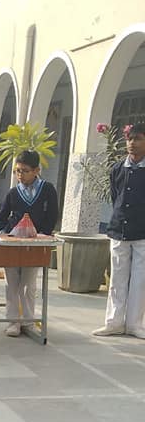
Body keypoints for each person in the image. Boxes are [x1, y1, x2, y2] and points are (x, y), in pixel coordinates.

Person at [0, 150, 58, 337]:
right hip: (12, 244)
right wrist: (3, 233)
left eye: (25, 171)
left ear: (36, 170)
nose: (20, 175)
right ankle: (13, 321)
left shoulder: (47, 190)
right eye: (17, 171)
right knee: (12, 283)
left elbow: (52, 215)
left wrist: (43, 235)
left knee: (28, 284)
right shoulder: (13, 192)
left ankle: (28, 321)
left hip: (35, 245)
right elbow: (1, 217)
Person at [92, 123, 145, 338]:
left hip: (142, 233)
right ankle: (114, 322)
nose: (132, 143)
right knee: (117, 279)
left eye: (138, 138)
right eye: (129, 139)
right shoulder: (117, 168)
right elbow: (116, 197)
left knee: (140, 281)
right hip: (119, 229)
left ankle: (134, 325)